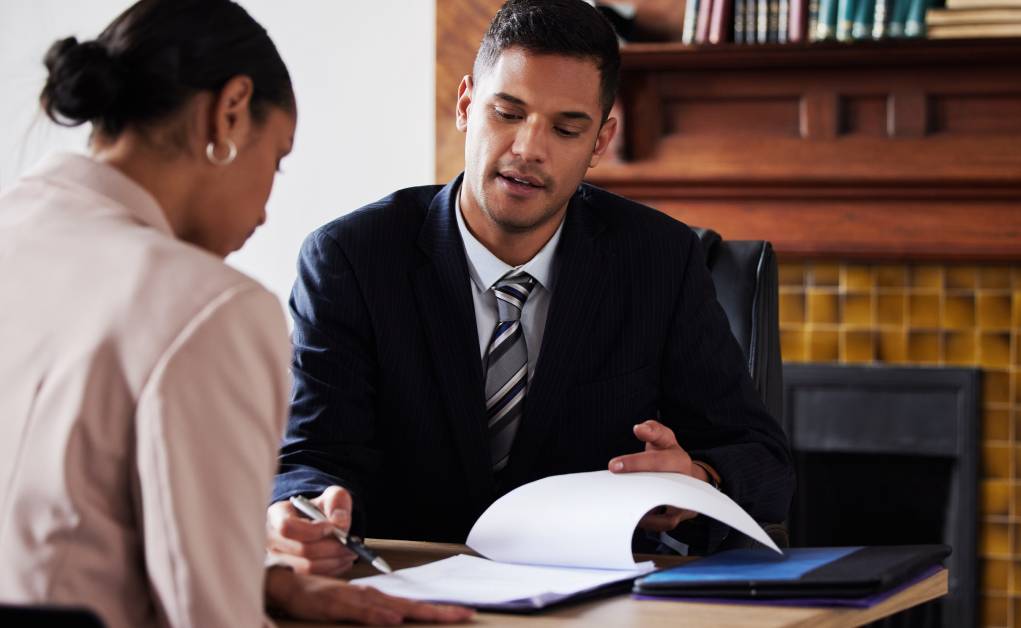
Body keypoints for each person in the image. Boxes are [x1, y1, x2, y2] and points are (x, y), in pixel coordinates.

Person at [267, 0, 794, 575]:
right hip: (404, 584)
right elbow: (310, 455)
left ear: (599, 140)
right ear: (467, 105)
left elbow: (763, 462)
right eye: (508, 113)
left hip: (594, 596)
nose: (528, 149)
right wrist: (303, 510)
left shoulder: (660, 261)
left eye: (567, 129)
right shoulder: (350, 259)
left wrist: (697, 478)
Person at [0, 1, 472, 626]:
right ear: (229, 111)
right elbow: (209, 614)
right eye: (276, 159)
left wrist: (269, 581)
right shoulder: (211, 308)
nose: (266, 211)